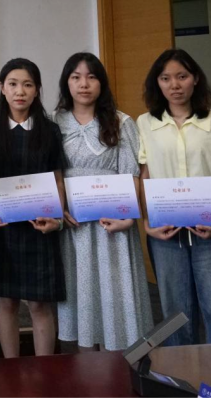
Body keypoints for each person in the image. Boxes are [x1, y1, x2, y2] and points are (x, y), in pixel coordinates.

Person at [136, 48, 211, 348]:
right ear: (157, 83)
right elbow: (144, 175)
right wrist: (146, 223)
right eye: (166, 78)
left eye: (182, 76)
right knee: (175, 312)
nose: (174, 85)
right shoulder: (145, 123)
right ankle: (180, 371)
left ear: (195, 79)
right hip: (165, 230)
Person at [54, 52, 152, 351]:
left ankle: (119, 362)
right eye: (76, 77)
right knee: (79, 289)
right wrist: (59, 209)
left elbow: (132, 173)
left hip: (112, 222)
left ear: (102, 83)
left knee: (114, 290)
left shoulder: (122, 121)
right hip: (72, 223)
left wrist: (128, 217)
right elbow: (49, 172)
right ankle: (84, 361)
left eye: (91, 77)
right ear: (66, 83)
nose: (84, 84)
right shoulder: (54, 122)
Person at [0, 58, 67, 358]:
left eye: (28, 85)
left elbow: (57, 177)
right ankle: (10, 367)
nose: (20, 91)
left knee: (40, 303)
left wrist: (57, 218)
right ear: (2, 88)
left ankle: (45, 368)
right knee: (7, 300)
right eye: (13, 84)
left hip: (39, 227)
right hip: (3, 226)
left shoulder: (49, 130)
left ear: (37, 90)